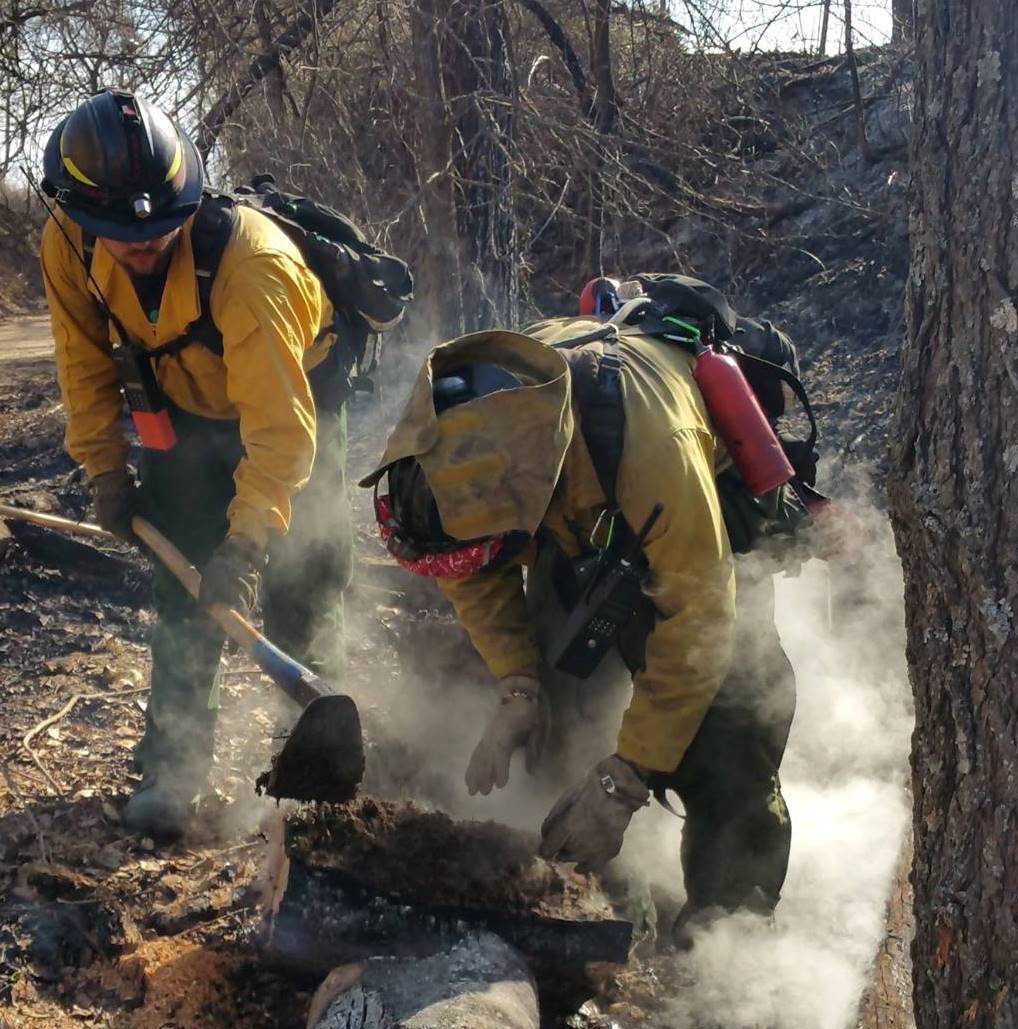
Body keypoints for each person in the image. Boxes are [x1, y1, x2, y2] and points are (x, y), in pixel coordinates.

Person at [363, 283, 808, 942]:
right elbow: (472, 569)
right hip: (578, 525)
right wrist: (517, 682)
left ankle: (728, 946)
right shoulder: (447, 443)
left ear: (516, 503)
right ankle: (590, 909)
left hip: (700, 534)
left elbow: (699, 627)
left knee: (726, 742)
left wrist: (624, 779)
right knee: (562, 710)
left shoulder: (654, 449)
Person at [39, 89, 352, 841]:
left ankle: (317, 788)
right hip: (180, 411)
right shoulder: (70, 241)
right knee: (183, 602)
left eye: (157, 229)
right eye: (121, 233)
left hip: (289, 410)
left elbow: (280, 433)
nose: (142, 245)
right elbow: (82, 364)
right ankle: (171, 772)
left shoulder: (253, 269)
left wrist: (244, 545)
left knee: (298, 590)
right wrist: (106, 471)